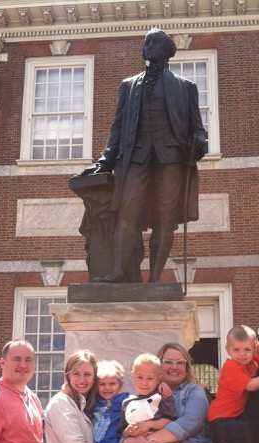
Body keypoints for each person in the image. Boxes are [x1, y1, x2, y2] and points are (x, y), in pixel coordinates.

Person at [86, 28, 206, 283]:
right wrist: (105, 161)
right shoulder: (128, 86)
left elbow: (197, 128)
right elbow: (117, 127)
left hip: (171, 158)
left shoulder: (186, 88)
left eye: (155, 42)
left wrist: (199, 141)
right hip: (135, 158)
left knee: (165, 216)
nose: (149, 47)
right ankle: (118, 271)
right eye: (147, 43)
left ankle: (154, 279)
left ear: (167, 50)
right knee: (127, 212)